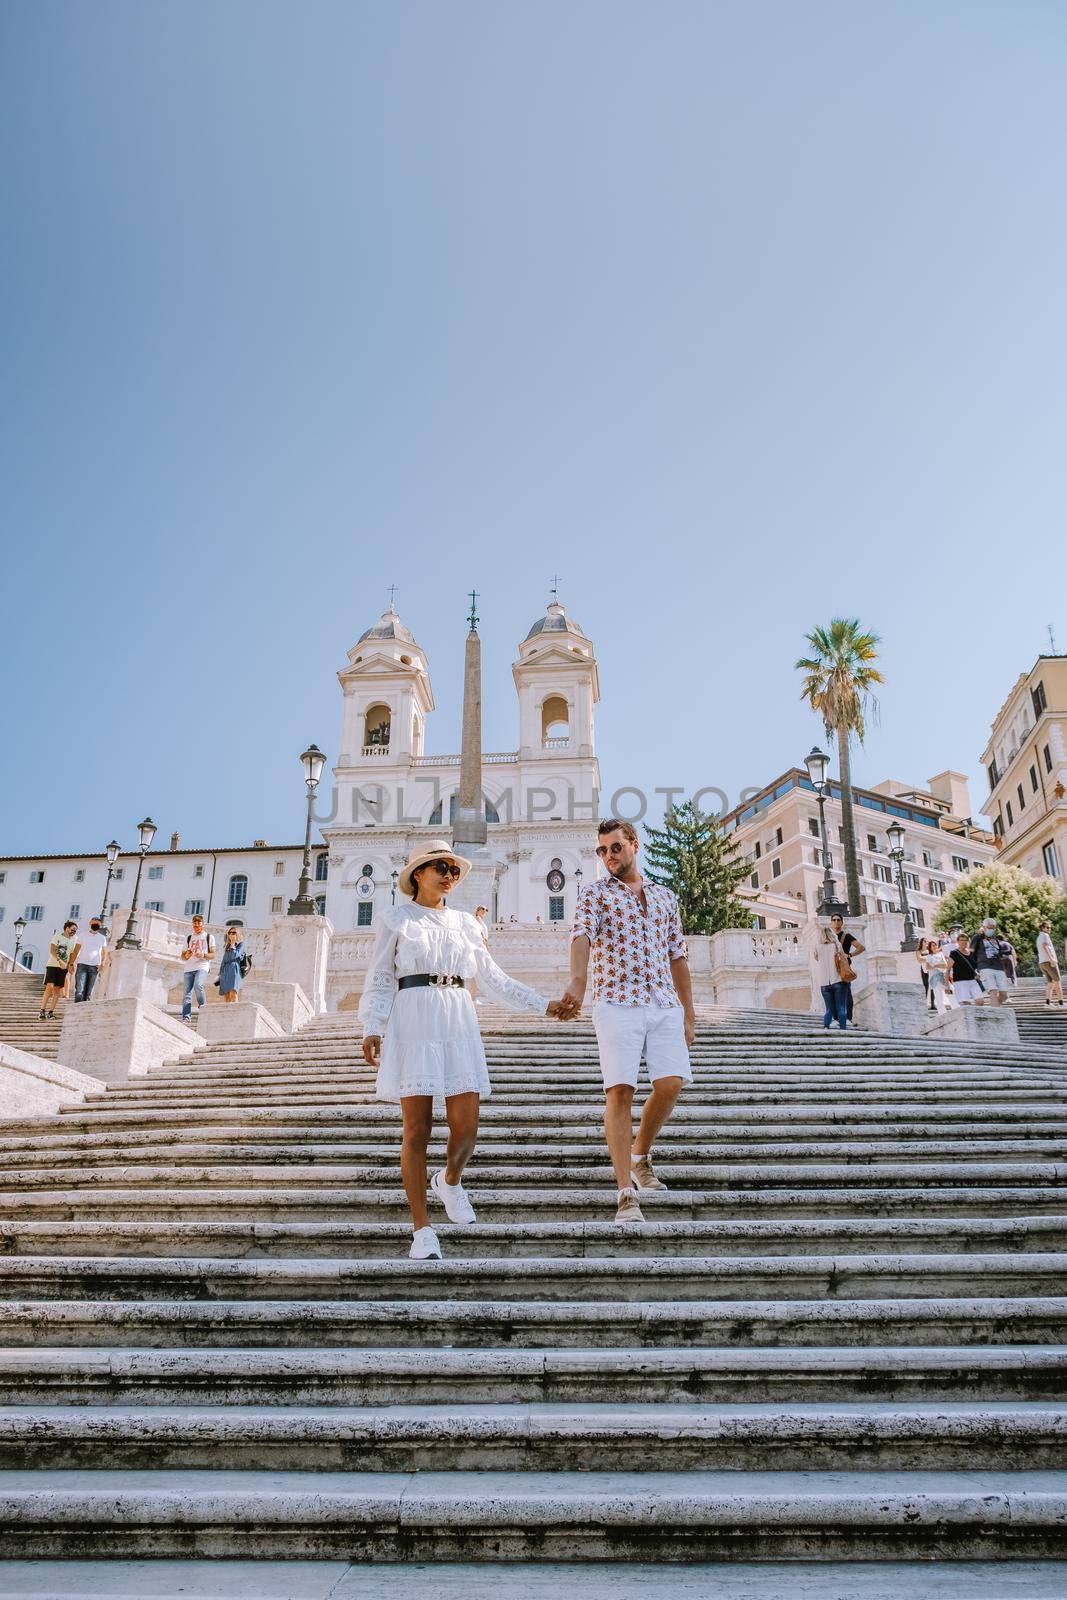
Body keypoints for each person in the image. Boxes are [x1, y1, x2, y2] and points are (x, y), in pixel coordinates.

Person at [360, 840, 575, 1260]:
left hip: (458, 1016)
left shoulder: (466, 923)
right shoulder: (395, 918)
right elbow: (382, 976)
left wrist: (543, 1004)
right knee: (417, 1129)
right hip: (413, 1015)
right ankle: (422, 1230)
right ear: (417, 874)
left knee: (467, 1125)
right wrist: (373, 1026)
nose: (448, 875)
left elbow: (492, 978)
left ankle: (450, 1181)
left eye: (453, 870)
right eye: (439, 867)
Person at [563, 818, 695, 1226]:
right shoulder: (594, 895)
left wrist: (689, 1013)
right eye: (601, 851)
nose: (607, 857)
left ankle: (641, 1156)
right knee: (619, 1092)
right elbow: (581, 937)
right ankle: (624, 1194)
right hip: (617, 1002)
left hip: (662, 1001)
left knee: (671, 1083)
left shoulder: (665, 897)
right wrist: (577, 983)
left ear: (634, 844)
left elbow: (677, 955)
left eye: (615, 848)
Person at [829, 913, 864, 1025]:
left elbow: (861, 947)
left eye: (838, 920)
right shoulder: (828, 936)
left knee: (846, 993)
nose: (836, 922)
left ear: (842, 922)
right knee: (832, 992)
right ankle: (836, 1018)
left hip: (844, 968)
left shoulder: (846, 936)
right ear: (831, 922)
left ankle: (848, 1018)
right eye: (834, 920)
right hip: (831, 968)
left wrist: (849, 955)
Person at [968, 918, 1012, 1006]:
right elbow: (971, 953)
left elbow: (998, 952)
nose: (991, 930)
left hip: (999, 967)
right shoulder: (977, 937)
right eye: (989, 927)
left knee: (1004, 994)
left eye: (993, 928)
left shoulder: (995, 939)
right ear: (984, 927)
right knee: (993, 990)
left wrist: (1004, 955)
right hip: (984, 966)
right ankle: (996, 1014)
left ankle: (993, 1007)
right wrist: (973, 969)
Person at [181, 914, 216, 1023]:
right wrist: (187, 954)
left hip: (202, 966)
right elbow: (183, 957)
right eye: (194, 923)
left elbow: (213, 955)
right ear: (192, 924)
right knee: (187, 993)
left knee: (198, 985)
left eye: (198, 923)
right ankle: (186, 1017)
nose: (196, 925)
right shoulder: (188, 938)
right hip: (189, 968)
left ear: (202, 924)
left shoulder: (209, 937)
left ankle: (203, 1007)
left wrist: (203, 955)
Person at [813, 923, 849, 1030]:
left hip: (824, 983)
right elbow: (843, 957)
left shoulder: (817, 948)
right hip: (837, 980)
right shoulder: (836, 946)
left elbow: (817, 959)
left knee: (828, 1008)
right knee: (841, 1007)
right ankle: (843, 1029)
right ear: (831, 934)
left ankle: (826, 1027)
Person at [41, 921, 78, 1019]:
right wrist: (59, 960)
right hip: (52, 965)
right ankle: (42, 1010)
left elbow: (71, 955)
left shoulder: (72, 941)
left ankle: (50, 1012)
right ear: (66, 928)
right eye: (72, 929)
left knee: (57, 989)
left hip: (63, 968)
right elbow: (52, 949)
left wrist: (70, 965)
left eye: (75, 931)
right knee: (50, 986)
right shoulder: (57, 936)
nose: (73, 932)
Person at [73, 916, 108, 1002]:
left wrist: (103, 963)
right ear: (90, 923)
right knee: (79, 991)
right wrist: (71, 963)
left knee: (88, 993)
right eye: (93, 922)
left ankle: (83, 1012)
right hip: (82, 965)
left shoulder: (102, 938)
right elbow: (76, 950)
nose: (95, 924)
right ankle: (76, 1009)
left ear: (100, 925)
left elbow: (104, 952)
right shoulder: (82, 935)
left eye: (97, 923)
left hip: (95, 966)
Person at [947, 934, 983, 1006]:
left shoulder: (972, 953)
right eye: (961, 940)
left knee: (980, 1001)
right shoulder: (954, 953)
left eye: (965, 940)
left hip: (972, 981)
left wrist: (977, 973)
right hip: (960, 982)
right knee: (966, 1004)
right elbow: (947, 970)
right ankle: (971, 1015)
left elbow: (974, 966)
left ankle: (974, 1014)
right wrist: (947, 985)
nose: (964, 942)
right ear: (957, 941)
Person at [1036, 920, 1064, 1007]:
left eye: (1050, 928)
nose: (1049, 929)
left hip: (1042, 962)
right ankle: (1061, 1003)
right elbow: (1045, 946)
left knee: (1050, 983)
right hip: (1049, 962)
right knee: (1058, 982)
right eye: (1047, 927)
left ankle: (1047, 1003)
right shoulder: (1045, 935)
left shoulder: (1039, 937)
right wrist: (1052, 959)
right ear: (1043, 928)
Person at [218, 926, 247, 1003]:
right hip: (225, 971)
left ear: (238, 934)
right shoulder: (227, 946)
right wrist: (220, 974)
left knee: (233, 993)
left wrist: (233, 944)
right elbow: (224, 960)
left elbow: (235, 955)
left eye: (234, 932)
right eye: (229, 933)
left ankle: (236, 1014)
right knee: (226, 995)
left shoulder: (241, 945)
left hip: (234, 969)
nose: (231, 934)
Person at [921, 937, 949, 1014]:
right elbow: (927, 967)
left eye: (935, 945)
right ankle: (942, 1013)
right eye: (932, 945)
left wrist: (934, 965)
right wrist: (938, 965)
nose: (934, 946)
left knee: (950, 991)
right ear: (930, 947)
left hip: (943, 976)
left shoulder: (941, 954)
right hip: (934, 978)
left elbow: (945, 965)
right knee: (939, 996)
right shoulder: (929, 956)